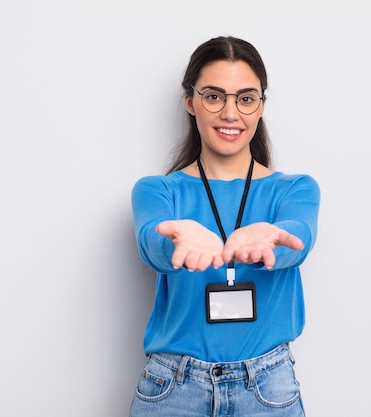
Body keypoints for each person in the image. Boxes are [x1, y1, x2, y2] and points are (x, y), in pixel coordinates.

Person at [129, 35, 320, 417]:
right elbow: (153, 244)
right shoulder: (158, 190)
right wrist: (178, 242)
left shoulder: (296, 189)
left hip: (268, 388)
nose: (230, 114)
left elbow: (297, 236)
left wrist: (271, 242)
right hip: (174, 388)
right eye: (214, 96)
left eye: (245, 99)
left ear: (261, 106)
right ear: (190, 101)